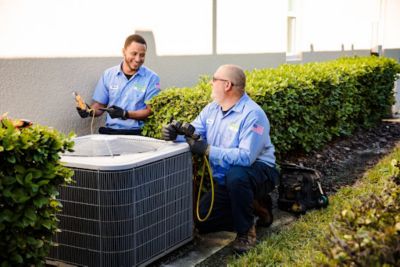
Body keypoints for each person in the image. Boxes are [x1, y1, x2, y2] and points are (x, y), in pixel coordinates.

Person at [162, 64, 279, 253]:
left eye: (214, 79)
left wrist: (208, 149)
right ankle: (255, 208)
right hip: (227, 179)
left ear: (227, 85)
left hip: (259, 172)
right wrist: (175, 134)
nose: (210, 83)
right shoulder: (212, 110)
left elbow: (246, 157)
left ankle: (245, 232)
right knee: (203, 222)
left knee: (237, 175)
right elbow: (193, 134)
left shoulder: (253, 114)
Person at [76, 34, 160, 135]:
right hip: (111, 132)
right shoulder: (108, 75)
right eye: (134, 53)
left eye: (142, 55)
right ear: (123, 52)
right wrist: (89, 111)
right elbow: (100, 105)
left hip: (137, 134)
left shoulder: (152, 78)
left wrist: (125, 114)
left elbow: (150, 111)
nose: (138, 59)